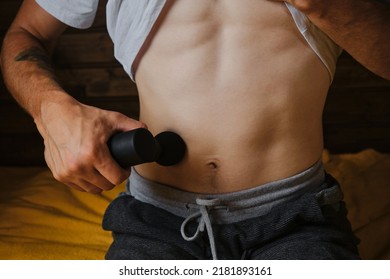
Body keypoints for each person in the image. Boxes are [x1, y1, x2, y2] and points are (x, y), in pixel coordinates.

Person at [1, 0, 389, 260]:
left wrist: (325, 6)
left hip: (295, 218)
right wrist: (51, 110)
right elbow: (27, 32)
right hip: (155, 221)